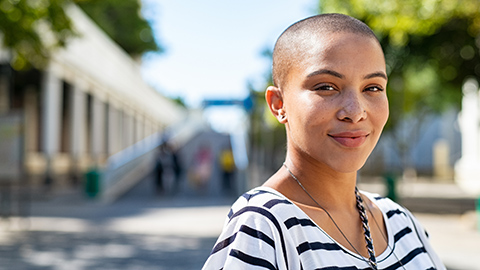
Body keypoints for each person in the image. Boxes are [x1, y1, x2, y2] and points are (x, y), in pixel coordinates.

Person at [202, 14, 445, 270]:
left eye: (372, 88)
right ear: (279, 104)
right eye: (327, 87)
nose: (355, 111)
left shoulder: (400, 221)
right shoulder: (264, 226)